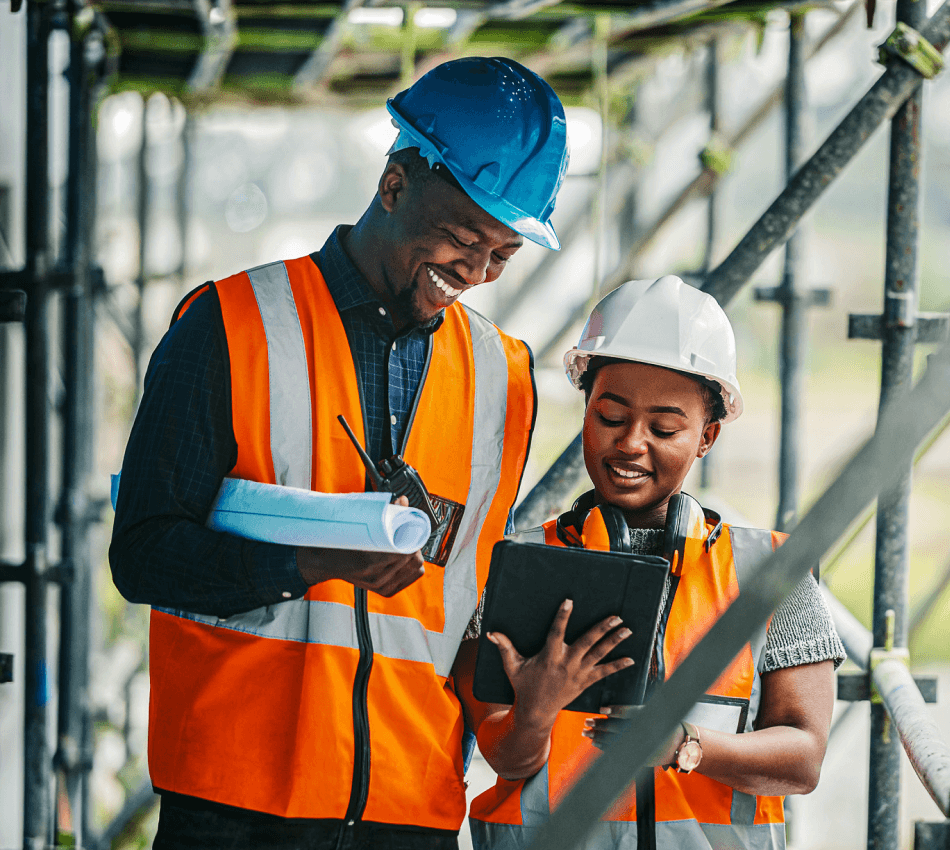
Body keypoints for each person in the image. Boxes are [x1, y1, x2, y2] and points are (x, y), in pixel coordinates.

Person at [109, 56, 569, 850]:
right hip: (237, 808)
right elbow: (145, 556)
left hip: (409, 808)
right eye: (464, 238)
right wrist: (305, 562)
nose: (479, 272)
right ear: (394, 185)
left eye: (503, 255)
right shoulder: (228, 327)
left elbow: (465, 595)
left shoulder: (508, 379)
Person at [457, 275, 846, 850]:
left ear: (706, 437)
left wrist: (682, 743)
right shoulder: (512, 569)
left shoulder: (771, 571)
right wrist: (534, 712)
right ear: (586, 412)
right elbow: (504, 758)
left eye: (665, 428)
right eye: (610, 418)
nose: (632, 443)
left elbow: (802, 760)